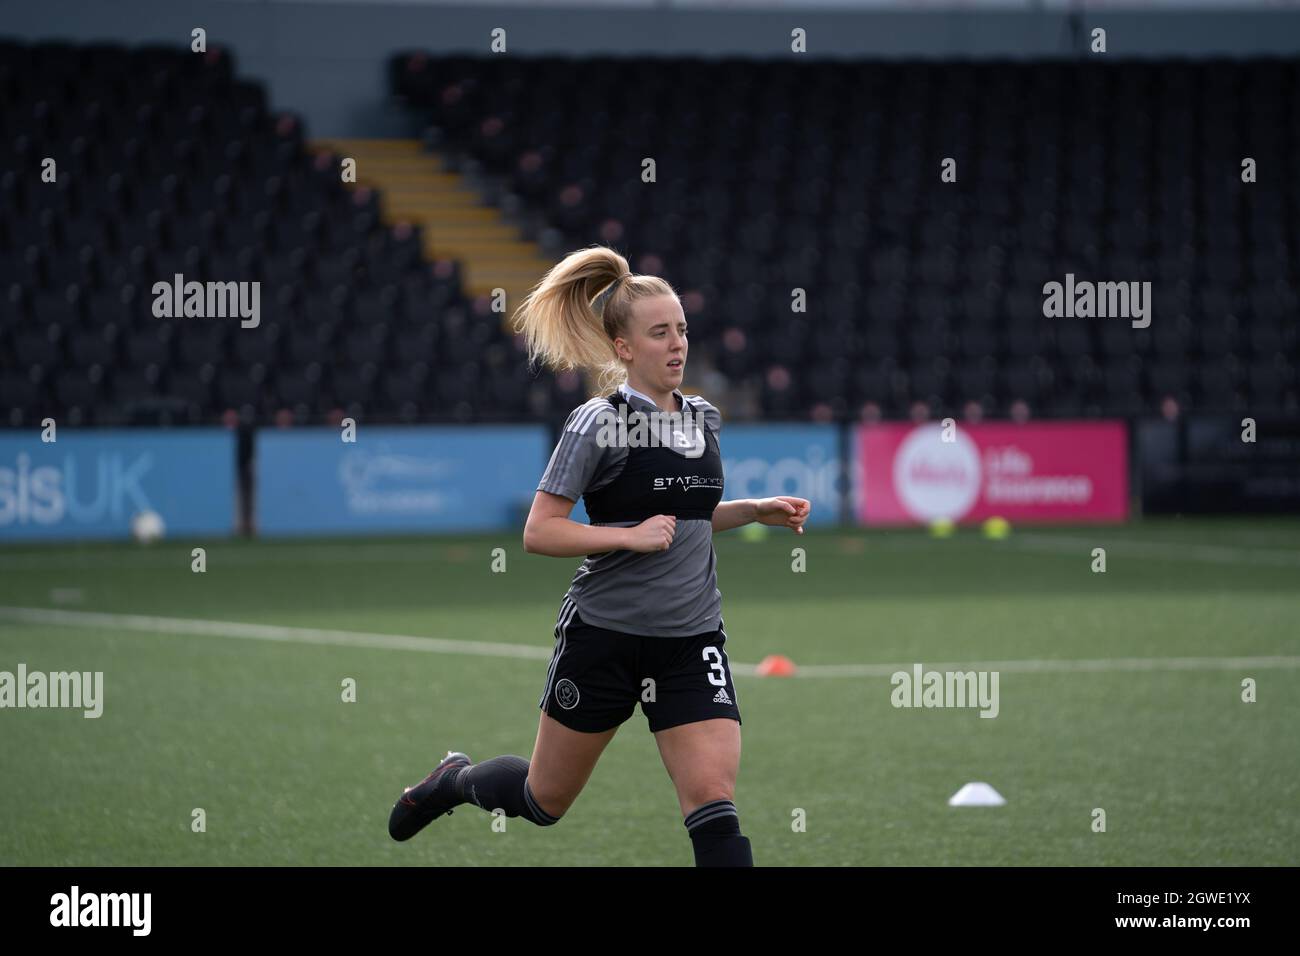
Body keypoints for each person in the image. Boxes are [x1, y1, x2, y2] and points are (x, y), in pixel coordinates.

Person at [387, 245, 810, 866]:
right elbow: (541, 531)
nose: (677, 345)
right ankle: (453, 781)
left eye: (683, 331)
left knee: (714, 804)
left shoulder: (704, 420)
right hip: (604, 637)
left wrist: (752, 510)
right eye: (660, 333)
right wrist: (624, 535)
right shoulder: (596, 423)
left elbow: (685, 520)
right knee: (542, 801)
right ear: (623, 348)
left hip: (691, 641)